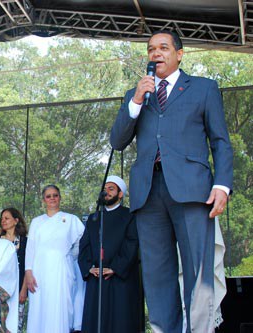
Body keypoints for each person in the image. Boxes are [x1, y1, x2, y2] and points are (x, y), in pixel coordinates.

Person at [110, 29, 233, 333]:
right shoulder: (136, 95)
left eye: (164, 47)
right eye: (151, 49)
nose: (156, 53)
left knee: (198, 272)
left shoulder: (203, 89)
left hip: (193, 192)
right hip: (148, 195)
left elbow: (221, 142)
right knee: (157, 274)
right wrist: (137, 100)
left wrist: (222, 185)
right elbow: (117, 141)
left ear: (180, 54)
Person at [78, 176, 140, 333]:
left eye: (111, 189)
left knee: (120, 321)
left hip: (120, 279)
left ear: (120, 194)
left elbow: (132, 243)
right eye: (105, 189)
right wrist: (89, 268)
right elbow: (84, 246)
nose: (106, 192)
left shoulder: (130, 215)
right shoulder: (94, 218)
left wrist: (115, 268)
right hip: (96, 279)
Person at [25, 185, 85, 332]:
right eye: (48, 196)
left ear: (59, 197)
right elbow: (31, 248)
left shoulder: (71, 219)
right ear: (43, 200)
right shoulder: (36, 222)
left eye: (55, 195)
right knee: (40, 306)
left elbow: (82, 242)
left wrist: (69, 257)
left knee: (60, 305)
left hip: (61, 269)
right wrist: (28, 272)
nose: (52, 198)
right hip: (39, 270)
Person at [0, 207, 28, 332]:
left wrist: (24, 290)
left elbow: (29, 267)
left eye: (7, 218)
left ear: (16, 221)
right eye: (1, 219)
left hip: (18, 288)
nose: (3, 221)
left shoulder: (26, 241)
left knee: (16, 325)